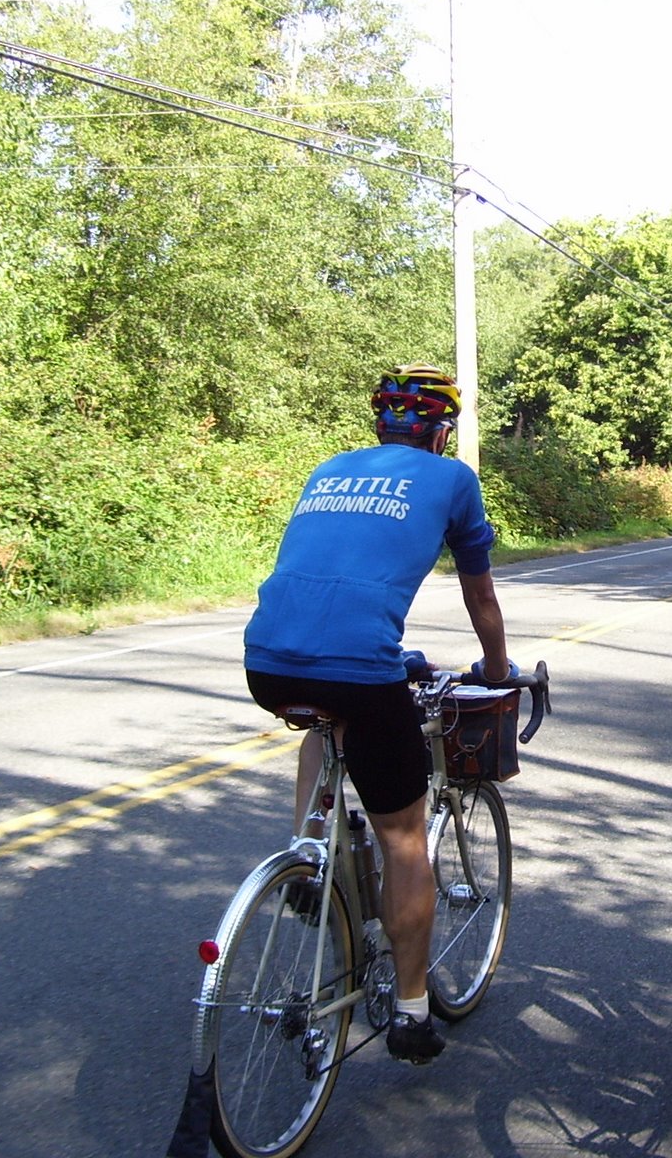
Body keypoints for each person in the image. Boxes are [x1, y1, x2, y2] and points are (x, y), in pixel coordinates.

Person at [243, 364, 515, 1064]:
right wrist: (493, 671)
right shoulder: (453, 479)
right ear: (442, 431)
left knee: (326, 719)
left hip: (268, 659)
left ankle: (311, 856)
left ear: (379, 424)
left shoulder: (331, 467)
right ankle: (415, 1012)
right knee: (402, 836)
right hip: (359, 667)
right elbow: (480, 599)